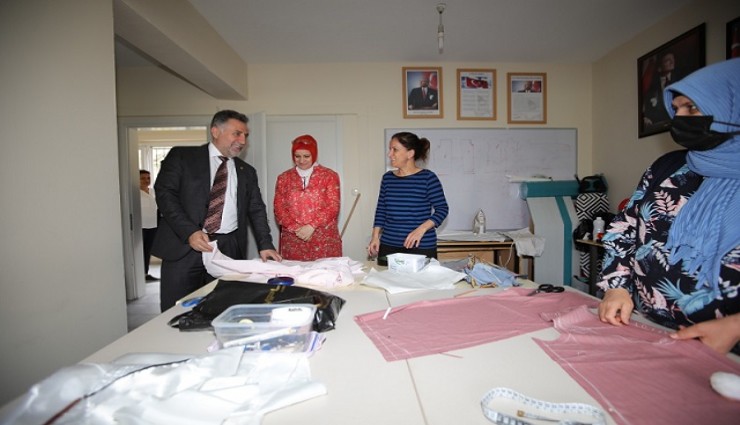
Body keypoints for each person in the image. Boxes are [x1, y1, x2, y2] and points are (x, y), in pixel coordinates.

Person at [597, 58, 740, 355]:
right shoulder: (668, 168)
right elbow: (625, 229)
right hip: (644, 327)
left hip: (726, 350)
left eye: (692, 108)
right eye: (676, 109)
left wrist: (735, 326)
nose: (679, 118)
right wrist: (617, 286)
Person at [152, 110, 281, 311]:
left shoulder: (246, 171)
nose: (243, 140)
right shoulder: (183, 157)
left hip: (227, 250)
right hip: (184, 248)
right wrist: (189, 231)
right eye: (237, 133)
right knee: (176, 311)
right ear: (215, 131)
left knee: (224, 308)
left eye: (245, 135)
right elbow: (165, 195)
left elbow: (256, 209)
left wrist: (265, 244)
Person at [368, 131, 449, 266]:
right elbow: (381, 209)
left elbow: (442, 209)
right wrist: (375, 237)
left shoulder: (428, 178)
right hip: (389, 245)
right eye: (390, 149)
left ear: (410, 153)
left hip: (420, 246)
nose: (390, 154)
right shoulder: (387, 178)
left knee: (422, 280)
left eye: (395, 150)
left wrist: (420, 230)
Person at [273, 134, 342, 261]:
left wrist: (312, 226)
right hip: (293, 241)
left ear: (314, 155)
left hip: (323, 241)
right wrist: (296, 229)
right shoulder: (284, 178)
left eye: (306, 156)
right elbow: (279, 209)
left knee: (324, 273)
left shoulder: (329, 176)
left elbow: (333, 206)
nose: (301, 160)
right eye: (297, 156)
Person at [642, 51, 687, 131]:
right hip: (658, 124)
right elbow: (648, 110)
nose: (671, 62)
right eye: (667, 60)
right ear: (659, 68)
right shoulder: (652, 85)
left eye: (672, 59)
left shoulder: (680, 80)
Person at [139, 170, 158, 282]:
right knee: (140, 252)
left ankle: (145, 274)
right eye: (143, 178)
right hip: (141, 227)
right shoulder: (135, 193)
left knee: (148, 251)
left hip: (153, 226)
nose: (146, 180)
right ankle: (139, 275)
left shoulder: (152, 192)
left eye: (148, 178)